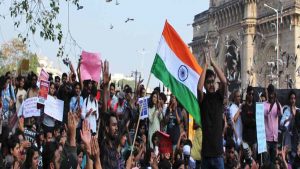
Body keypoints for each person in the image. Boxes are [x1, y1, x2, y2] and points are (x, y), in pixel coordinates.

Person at [197, 54, 227, 169]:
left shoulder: (219, 97)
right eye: (208, 82)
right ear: (205, 84)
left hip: (218, 154)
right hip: (206, 154)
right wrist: (205, 65)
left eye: (212, 81)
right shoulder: (203, 99)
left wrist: (213, 63)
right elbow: (199, 88)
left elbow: (224, 82)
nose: (211, 84)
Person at [264, 84, 282, 164]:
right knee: (267, 163)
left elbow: (280, 114)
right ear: (267, 93)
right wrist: (272, 104)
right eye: (270, 93)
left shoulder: (277, 105)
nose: (271, 95)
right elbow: (267, 113)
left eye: (272, 93)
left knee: (274, 162)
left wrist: (276, 102)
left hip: (275, 139)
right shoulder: (263, 105)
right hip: (266, 140)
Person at [240, 86, 257, 160]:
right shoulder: (244, 106)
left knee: (254, 159)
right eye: (250, 94)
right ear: (247, 94)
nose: (251, 96)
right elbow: (244, 121)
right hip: (246, 138)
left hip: (254, 138)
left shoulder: (255, 106)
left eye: (253, 94)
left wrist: (250, 121)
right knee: (247, 160)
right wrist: (252, 120)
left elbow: (257, 121)